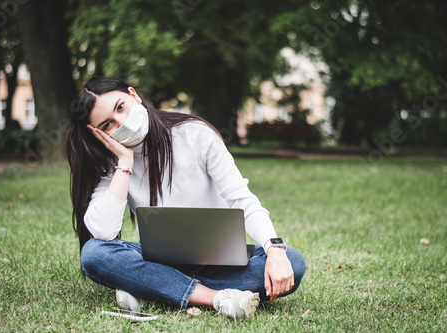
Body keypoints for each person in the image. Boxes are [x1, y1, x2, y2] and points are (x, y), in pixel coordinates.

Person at [66, 76, 306, 320]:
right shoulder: (113, 164)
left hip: (219, 264)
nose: (122, 122)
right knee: (94, 253)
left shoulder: (195, 134)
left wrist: (275, 251)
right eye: (108, 125)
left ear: (134, 95)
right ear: (96, 134)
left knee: (293, 262)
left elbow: (241, 199)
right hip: (160, 261)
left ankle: (153, 289)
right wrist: (125, 163)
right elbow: (103, 233)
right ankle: (215, 298)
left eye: (121, 107)